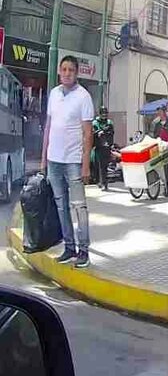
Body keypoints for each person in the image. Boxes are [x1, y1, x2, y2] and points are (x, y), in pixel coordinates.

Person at [42, 55, 94, 268]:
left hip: (73, 161)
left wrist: (85, 164)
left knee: (79, 206)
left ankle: (83, 251)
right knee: (61, 206)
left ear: (76, 73)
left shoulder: (84, 97)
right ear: (59, 72)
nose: (66, 73)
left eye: (70, 70)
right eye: (63, 69)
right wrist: (43, 160)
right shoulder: (54, 94)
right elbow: (48, 127)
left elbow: (88, 134)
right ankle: (69, 247)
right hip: (54, 160)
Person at [149, 102, 168, 195]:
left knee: (167, 169)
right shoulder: (156, 124)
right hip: (159, 149)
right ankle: (165, 186)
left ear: (164, 112)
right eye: (158, 112)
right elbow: (154, 135)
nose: (160, 114)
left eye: (161, 112)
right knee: (159, 169)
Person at [91, 106, 115, 191]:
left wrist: (111, 144)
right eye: (103, 113)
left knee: (105, 166)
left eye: (105, 113)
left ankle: (105, 183)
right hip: (98, 147)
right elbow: (94, 132)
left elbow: (111, 133)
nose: (104, 115)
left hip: (107, 147)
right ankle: (99, 181)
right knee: (98, 165)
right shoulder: (95, 122)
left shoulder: (109, 122)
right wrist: (98, 132)